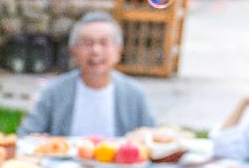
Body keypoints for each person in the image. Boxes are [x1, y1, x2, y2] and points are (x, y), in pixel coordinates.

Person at [17, 11, 155, 138]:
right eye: (87, 43)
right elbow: (25, 136)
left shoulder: (134, 94)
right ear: (73, 52)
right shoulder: (53, 92)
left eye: (104, 42)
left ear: (118, 51)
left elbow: (154, 139)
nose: (96, 50)